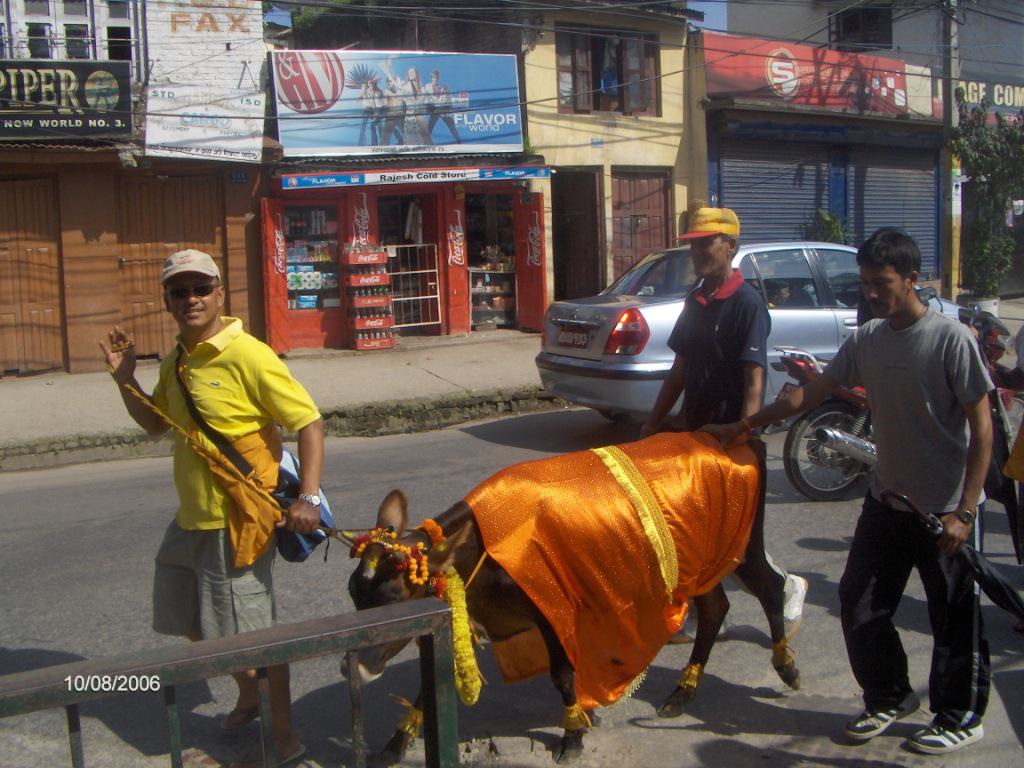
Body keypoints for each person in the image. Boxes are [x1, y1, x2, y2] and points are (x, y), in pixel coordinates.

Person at [705, 228, 993, 755]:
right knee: (859, 604)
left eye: (881, 283)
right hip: (887, 501)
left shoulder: (951, 339)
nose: (871, 294)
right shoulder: (867, 340)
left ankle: (960, 714)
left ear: (912, 279)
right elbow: (808, 395)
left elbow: (982, 429)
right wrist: (745, 426)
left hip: (944, 510)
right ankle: (888, 696)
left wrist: (967, 512)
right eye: (864, 283)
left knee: (952, 617)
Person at [99, 249, 324, 768]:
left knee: (256, 637)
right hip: (191, 520)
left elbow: (309, 421)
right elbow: (157, 425)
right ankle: (249, 693)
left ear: (220, 293)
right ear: (168, 301)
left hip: (238, 521)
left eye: (201, 289)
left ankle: (283, 740)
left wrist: (309, 498)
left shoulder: (248, 354)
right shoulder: (179, 361)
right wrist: (124, 378)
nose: (191, 299)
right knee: (185, 613)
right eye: (180, 292)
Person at [642, 207, 808, 643]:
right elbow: (679, 370)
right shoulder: (696, 299)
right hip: (694, 436)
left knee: (743, 549)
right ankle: (709, 613)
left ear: (730, 246)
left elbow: (754, 374)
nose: (697, 250)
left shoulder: (747, 304)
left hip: (731, 439)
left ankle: (787, 588)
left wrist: (743, 431)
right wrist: (653, 424)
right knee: (697, 536)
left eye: (705, 242)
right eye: (693, 244)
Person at [425, 69, 461, 144]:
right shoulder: (427, 86)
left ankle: (459, 141)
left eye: (434, 77)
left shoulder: (442, 87)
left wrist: (447, 92)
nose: (433, 79)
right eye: (431, 77)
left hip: (443, 109)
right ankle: (425, 143)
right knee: (430, 127)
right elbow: (426, 97)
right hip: (435, 110)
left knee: (451, 125)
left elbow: (449, 98)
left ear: (437, 78)